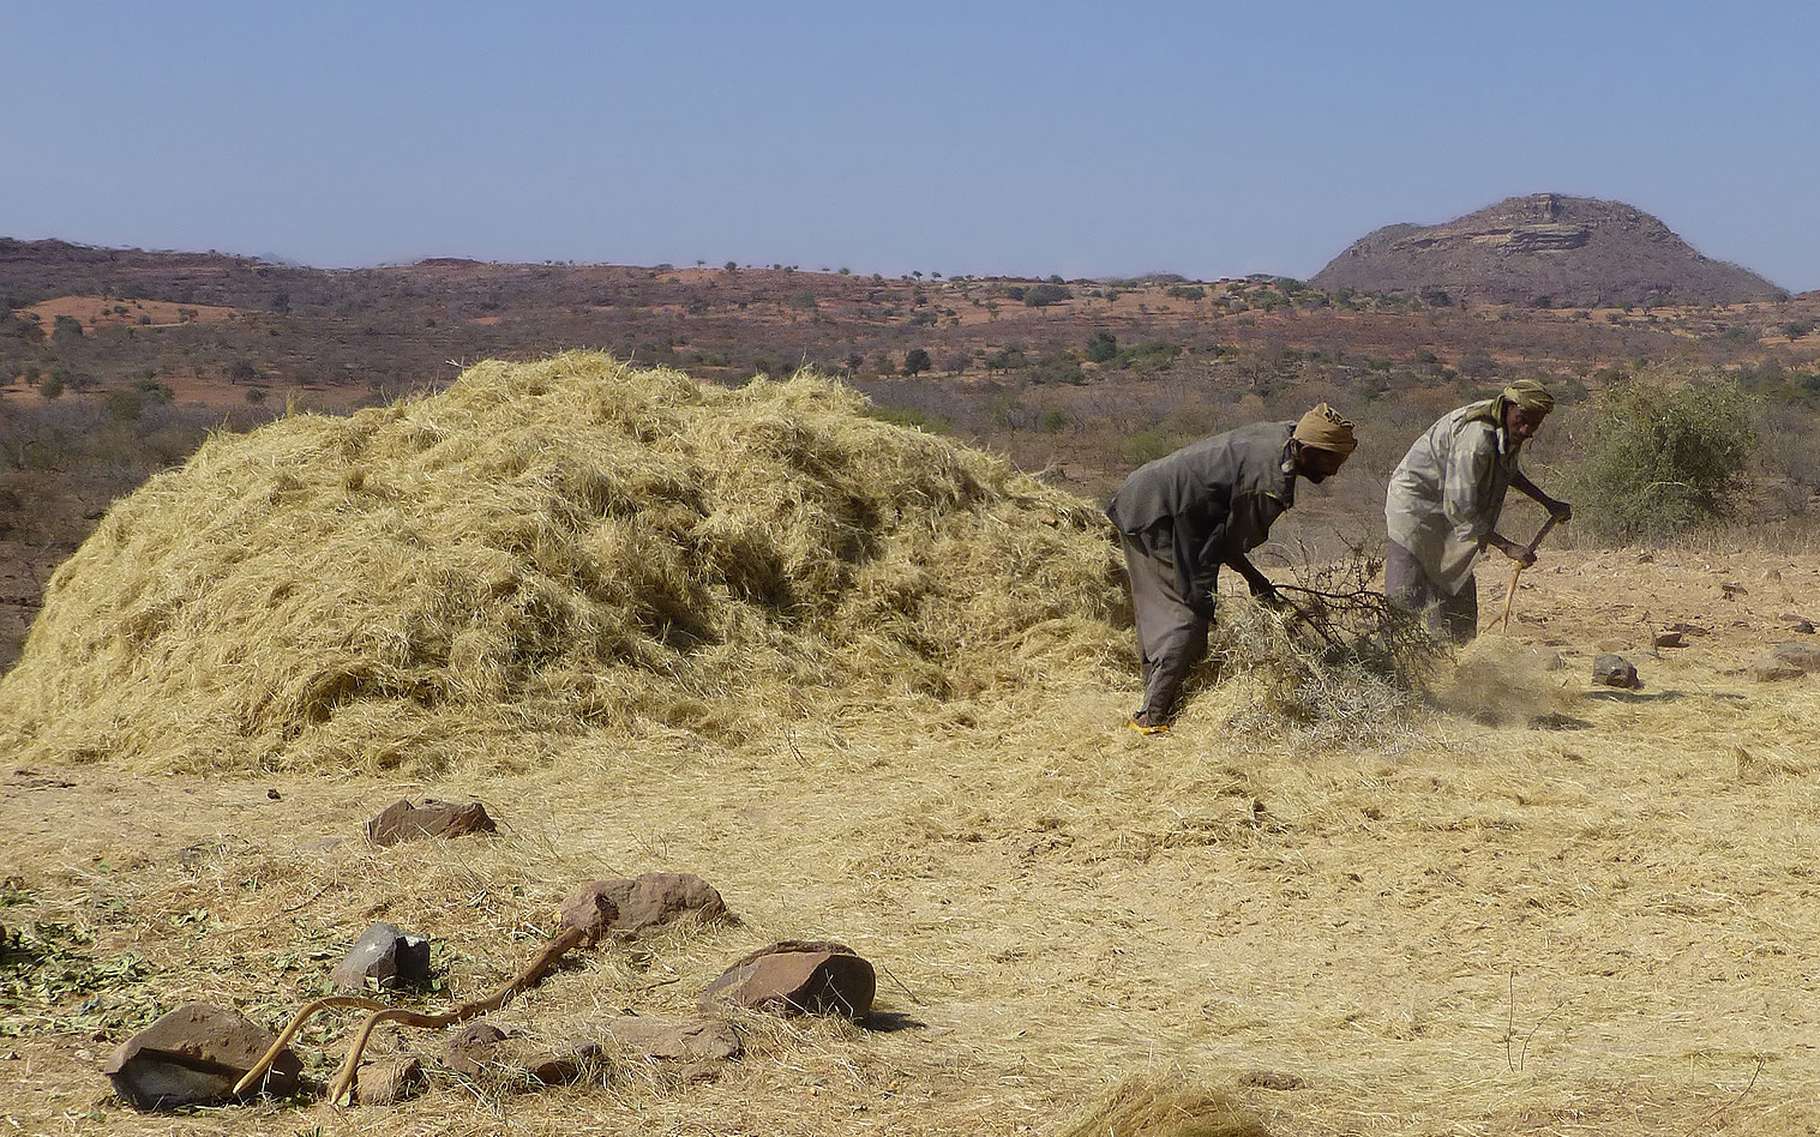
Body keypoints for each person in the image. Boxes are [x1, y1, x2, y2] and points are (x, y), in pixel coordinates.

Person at [1106, 404, 1358, 735]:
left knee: (1181, 606)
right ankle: (1150, 717)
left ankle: (1171, 693)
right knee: (1185, 614)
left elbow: (1222, 538)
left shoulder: (1287, 434)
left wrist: (1255, 581)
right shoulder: (1269, 481)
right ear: (1308, 451)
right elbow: (1227, 544)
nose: (1334, 472)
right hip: (1160, 514)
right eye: (1331, 462)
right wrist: (1256, 580)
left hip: (1157, 501)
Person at [1384, 379, 1572, 642]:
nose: (1527, 429)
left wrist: (1547, 502)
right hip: (1416, 508)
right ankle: (1392, 658)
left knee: (1454, 580)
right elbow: (1461, 509)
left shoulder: (1507, 429)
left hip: (1447, 507)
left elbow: (1508, 471)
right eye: (1523, 419)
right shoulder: (1476, 438)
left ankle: (1454, 654)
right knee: (1407, 590)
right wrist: (1508, 547)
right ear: (1508, 407)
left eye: (1535, 423)